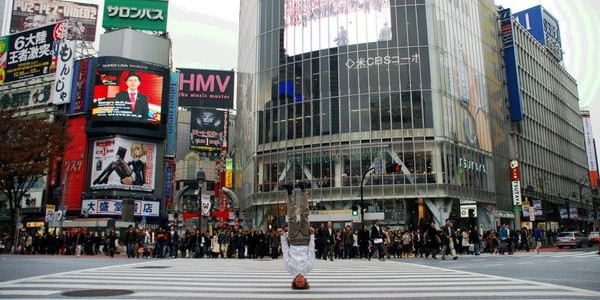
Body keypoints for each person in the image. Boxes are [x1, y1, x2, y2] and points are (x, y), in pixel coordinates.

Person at [279, 182, 315, 290]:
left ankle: (289, 192)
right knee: (304, 215)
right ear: (305, 281)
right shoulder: (309, 268)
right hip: (305, 239)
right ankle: (303, 190)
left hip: (293, 240)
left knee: (291, 217)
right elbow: (311, 251)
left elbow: (285, 252)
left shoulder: (289, 269)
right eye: (302, 283)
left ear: (294, 281)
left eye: (298, 283)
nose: (300, 281)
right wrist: (312, 235)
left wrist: (282, 236)